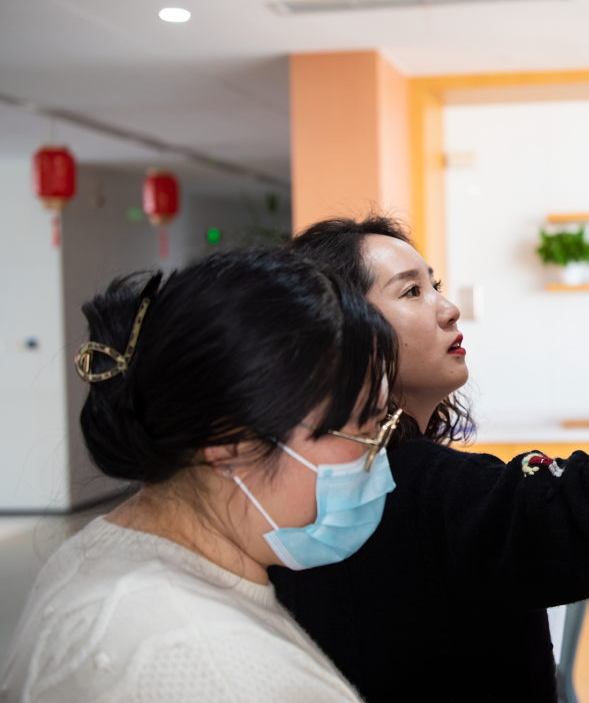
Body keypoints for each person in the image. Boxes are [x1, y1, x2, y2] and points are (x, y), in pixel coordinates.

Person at [270, 182, 589, 703]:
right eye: (411, 292)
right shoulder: (420, 490)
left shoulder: (302, 492)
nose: (448, 308)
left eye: (434, 285)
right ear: (343, 331)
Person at [0, 248, 399, 702]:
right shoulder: (211, 667)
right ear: (231, 440)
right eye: (363, 431)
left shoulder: (102, 552)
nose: (376, 455)